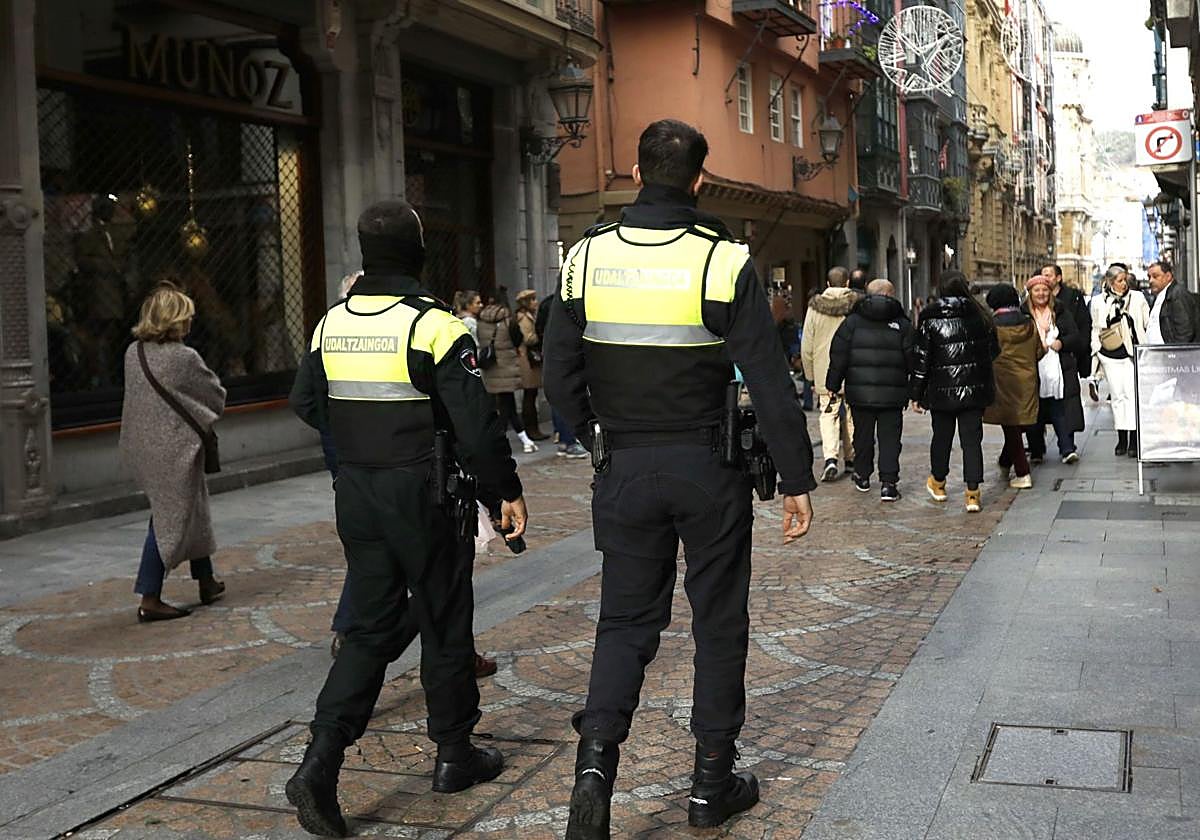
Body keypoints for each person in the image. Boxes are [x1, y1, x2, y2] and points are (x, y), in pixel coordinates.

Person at [543, 119, 816, 839]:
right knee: (719, 623)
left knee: (624, 624)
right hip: (708, 468)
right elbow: (768, 376)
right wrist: (796, 478)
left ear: (636, 173)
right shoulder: (722, 260)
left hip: (625, 466)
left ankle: (594, 774)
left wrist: (594, 434)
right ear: (698, 180)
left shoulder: (584, 258)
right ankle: (710, 786)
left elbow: (558, 372)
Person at [285, 200, 529, 838]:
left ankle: (319, 763)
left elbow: (305, 401)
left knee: (367, 630)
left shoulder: (331, 323)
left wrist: (365, 440)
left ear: (364, 252)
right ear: (418, 252)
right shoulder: (436, 326)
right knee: (445, 617)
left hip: (359, 494)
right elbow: (477, 425)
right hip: (423, 491)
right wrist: (504, 488)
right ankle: (454, 753)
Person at [119, 283, 226, 621]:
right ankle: (149, 598)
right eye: (186, 317)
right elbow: (215, 394)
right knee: (170, 518)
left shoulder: (133, 353)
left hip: (143, 445)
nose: (190, 323)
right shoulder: (183, 357)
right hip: (174, 448)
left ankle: (206, 580)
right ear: (174, 320)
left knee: (190, 506)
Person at [910, 271, 999, 513]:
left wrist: (916, 394)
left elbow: (922, 359)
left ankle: (938, 483)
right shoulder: (980, 315)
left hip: (941, 391)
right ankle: (973, 494)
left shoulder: (930, 316)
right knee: (972, 441)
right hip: (973, 391)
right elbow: (994, 351)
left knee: (942, 438)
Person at [826, 279, 914, 501]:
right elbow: (913, 358)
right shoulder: (902, 324)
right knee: (890, 438)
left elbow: (839, 355)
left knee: (862, 436)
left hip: (860, 393)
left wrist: (832, 385)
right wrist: (915, 390)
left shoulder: (852, 322)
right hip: (893, 394)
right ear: (890, 295)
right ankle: (888, 483)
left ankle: (862, 475)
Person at [984, 284, 1043, 489]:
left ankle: (1022, 472)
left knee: (1011, 426)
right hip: (1027, 380)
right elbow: (1039, 352)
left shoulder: (991, 326)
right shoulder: (1029, 324)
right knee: (1016, 425)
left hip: (1002, 381)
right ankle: (1004, 461)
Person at [802, 266, 858, 482]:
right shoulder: (855, 306)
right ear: (847, 284)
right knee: (852, 416)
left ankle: (831, 459)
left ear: (827, 284)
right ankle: (851, 458)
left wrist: (810, 376)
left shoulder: (815, 308)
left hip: (824, 371)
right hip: (852, 369)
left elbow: (807, 346)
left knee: (828, 414)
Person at [1023, 274, 1084, 465]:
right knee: (1036, 411)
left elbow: (1076, 337)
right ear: (1030, 293)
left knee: (1061, 409)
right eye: (1036, 290)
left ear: (1050, 293)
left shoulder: (1061, 311)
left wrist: (1061, 342)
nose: (1041, 294)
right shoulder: (1024, 314)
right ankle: (1036, 450)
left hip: (1060, 369)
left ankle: (1067, 448)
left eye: (1044, 290)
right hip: (1033, 369)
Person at [1091, 266, 1150, 456]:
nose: (1124, 284)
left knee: (1132, 396)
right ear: (1109, 282)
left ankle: (1133, 440)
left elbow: (1147, 324)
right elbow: (1095, 328)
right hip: (1109, 355)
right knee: (1117, 398)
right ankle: (1121, 438)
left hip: (1132, 353)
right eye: (1119, 280)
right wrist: (1096, 352)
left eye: (1125, 280)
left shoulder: (1137, 298)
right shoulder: (1098, 301)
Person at [478, 293, 539, 453]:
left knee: (503, 405)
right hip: (506, 366)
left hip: (491, 367)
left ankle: (521, 439)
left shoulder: (481, 320)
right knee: (507, 406)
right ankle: (505, 440)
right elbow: (518, 338)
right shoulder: (508, 320)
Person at [536, 292, 589, 459]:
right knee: (567, 398)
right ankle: (569, 440)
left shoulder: (548, 304)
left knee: (557, 399)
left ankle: (564, 438)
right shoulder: (561, 305)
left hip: (554, 357)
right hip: (565, 358)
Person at [1042, 263, 1093, 378]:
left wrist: (1082, 348)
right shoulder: (1041, 298)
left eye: (1048, 276)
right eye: (1043, 276)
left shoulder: (1072, 297)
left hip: (1070, 353)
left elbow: (1083, 324)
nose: (1045, 279)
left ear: (1058, 278)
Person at [514, 289, 549, 440]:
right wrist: (540, 334)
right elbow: (528, 338)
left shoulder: (529, 316)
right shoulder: (523, 318)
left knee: (532, 393)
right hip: (526, 359)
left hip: (529, 358)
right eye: (533, 300)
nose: (536, 302)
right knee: (529, 394)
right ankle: (531, 429)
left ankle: (533, 428)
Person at [1146, 260, 1199, 345]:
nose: (1151, 281)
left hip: (1172, 354)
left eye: (1155, 276)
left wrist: (1175, 353)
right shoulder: (1160, 296)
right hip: (1159, 354)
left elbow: (1185, 331)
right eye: (1149, 277)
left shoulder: (1177, 294)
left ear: (1168, 276)